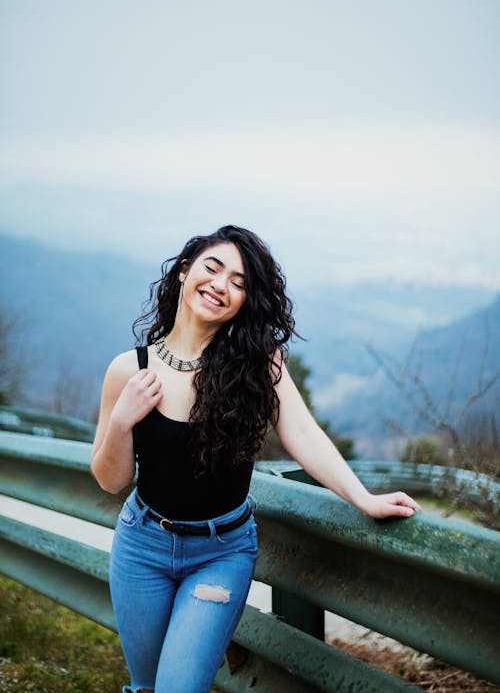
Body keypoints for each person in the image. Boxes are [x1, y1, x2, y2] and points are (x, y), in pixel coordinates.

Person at [91, 224, 421, 693]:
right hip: (141, 546)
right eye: (212, 267)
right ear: (185, 271)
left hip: (220, 553)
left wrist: (363, 499)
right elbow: (110, 479)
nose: (221, 285)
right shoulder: (129, 369)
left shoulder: (257, 363)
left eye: (239, 282)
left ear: (245, 300)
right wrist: (123, 420)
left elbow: (303, 434)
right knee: (145, 686)